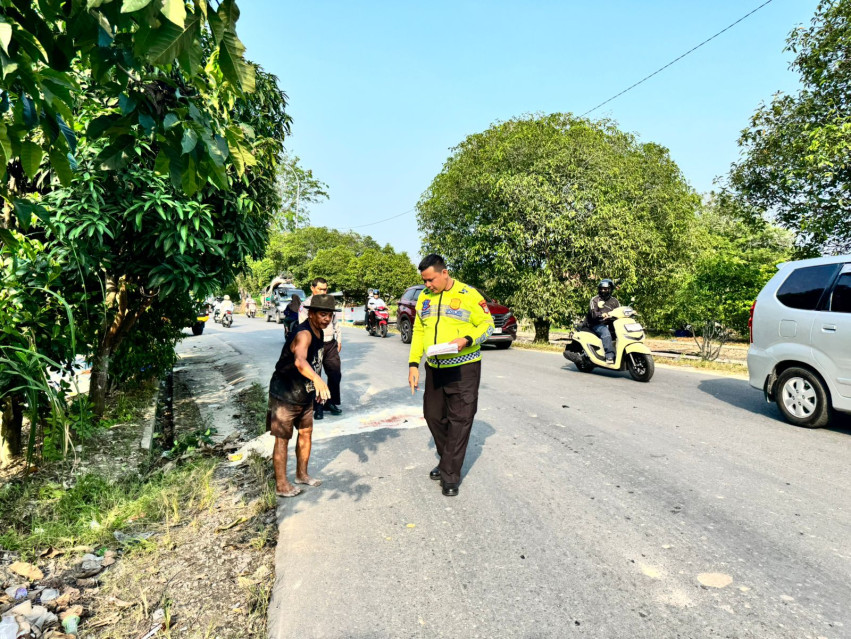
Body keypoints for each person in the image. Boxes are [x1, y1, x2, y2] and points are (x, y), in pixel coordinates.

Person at [407, 254, 494, 497]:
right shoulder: (424, 297)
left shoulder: (469, 295)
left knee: (460, 419)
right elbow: (419, 329)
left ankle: (450, 474)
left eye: (431, 280)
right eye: (424, 281)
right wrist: (413, 363)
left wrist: (467, 339)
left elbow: (488, 325)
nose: (427, 285)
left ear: (444, 273)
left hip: (463, 368)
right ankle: (447, 459)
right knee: (433, 415)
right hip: (434, 367)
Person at [267, 294, 336, 497]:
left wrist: (317, 387)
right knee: (282, 439)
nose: (327, 319)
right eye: (322, 314)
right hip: (285, 392)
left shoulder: (319, 332)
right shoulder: (304, 334)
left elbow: (315, 362)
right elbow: (300, 361)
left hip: (304, 392)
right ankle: (281, 485)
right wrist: (318, 380)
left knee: (306, 432)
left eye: (330, 315)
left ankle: (302, 475)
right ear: (311, 314)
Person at [299, 278, 343, 419]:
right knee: (316, 375)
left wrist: (339, 339)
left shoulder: (329, 302)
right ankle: (318, 407)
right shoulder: (306, 305)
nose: (323, 292)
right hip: (315, 343)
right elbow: (303, 324)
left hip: (330, 343)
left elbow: (335, 322)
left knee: (335, 373)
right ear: (312, 288)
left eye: (325, 289)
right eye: (320, 289)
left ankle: (330, 402)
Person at [588, 279, 620, 363]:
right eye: (601, 289)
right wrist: (601, 314)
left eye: (605, 289)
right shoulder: (595, 300)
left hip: (612, 323)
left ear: (610, 289)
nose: (603, 291)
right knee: (606, 332)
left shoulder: (615, 301)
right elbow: (593, 313)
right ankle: (609, 356)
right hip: (597, 324)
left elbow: (619, 311)